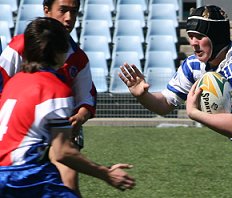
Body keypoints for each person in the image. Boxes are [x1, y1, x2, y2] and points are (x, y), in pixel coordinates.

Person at [119, 5, 232, 198]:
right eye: (190, 36)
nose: (193, 43)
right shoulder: (193, 66)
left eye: (199, 36)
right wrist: (142, 95)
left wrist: (195, 114)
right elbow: (164, 104)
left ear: (216, 36)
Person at [0, 17, 135, 198]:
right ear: (60, 51)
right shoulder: (55, 88)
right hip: (25, 175)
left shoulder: (14, 82)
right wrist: (106, 173)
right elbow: (63, 152)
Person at [0, 0, 95, 196]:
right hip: (18, 132)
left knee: (68, 181)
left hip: (59, 129)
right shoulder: (18, 47)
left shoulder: (79, 58)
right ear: (46, 10)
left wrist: (81, 115)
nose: (69, 18)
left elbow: (86, 97)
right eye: (63, 10)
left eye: (74, 12)